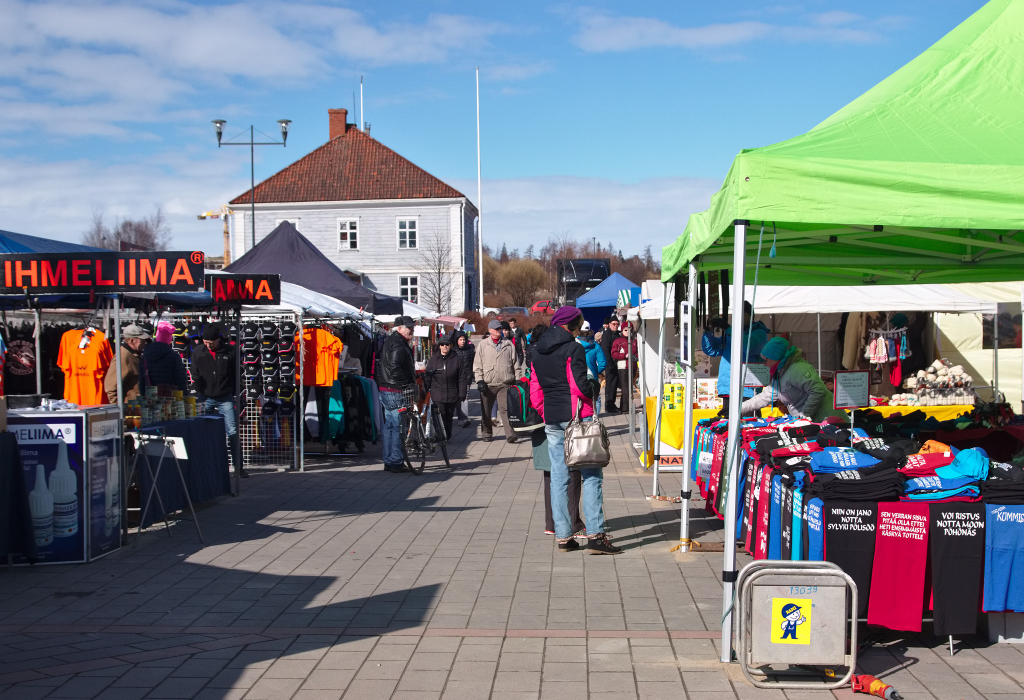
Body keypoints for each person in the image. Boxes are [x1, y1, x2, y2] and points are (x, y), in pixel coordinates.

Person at [530, 305, 620, 555]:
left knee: (559, 477)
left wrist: (546, 410)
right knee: (591, 475)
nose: (580, 329)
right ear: (571, 326)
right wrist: (594, 384)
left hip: (552, 418)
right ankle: (595, 535)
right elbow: (580, 386)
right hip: (578, 418)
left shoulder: (537, 352)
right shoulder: (574, 348)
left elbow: (535, 391)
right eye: (578, 325)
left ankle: (563, 536)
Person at [740, 337, 847, 422]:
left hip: (829, 420)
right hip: (813, 422)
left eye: (766, 360)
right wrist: (740, 408)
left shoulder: (798, 368)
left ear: (775, 357)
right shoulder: (780, 374)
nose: (764, 364)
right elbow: (765, 397)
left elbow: (818, 391)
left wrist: (804, 415)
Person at [191, 323, 243, 477]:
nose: (208, 345)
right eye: (206, 342)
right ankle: (203, 465)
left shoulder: (230, 351)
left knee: (232, 431)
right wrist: (197, 385)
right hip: (204, 396)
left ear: (218, 339)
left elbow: (235, 373)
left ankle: (238, 466)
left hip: (224, 396)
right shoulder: (198, 351)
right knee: (202, 431)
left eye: (211, 342)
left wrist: (234, 392)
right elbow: (195, 372)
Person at [702, 301, 769, 412]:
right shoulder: (730, 334)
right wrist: (708, 332)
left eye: (741, 313)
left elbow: (747, 347)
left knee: (749, 426)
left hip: (749, 391)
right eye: (735, 313)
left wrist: (728, 328)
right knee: (727, 426)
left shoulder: (759, 333)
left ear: (750, 315)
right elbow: (711, 350)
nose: (737, 317)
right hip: (728, 388)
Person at [474, 319, 524, 443]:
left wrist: (518, 379)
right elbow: (477, 365)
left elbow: (515, 363)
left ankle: (510, 434)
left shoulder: (508, 344)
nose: (499, 331)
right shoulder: (483, 345)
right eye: (496, 329)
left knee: (505, 409)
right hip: (488, 383)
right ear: (490, 330)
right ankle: (486, 433)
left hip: (505, 383)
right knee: (486, 410)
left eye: (500, 329)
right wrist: (479, 380)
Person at [378, 316, 417, 473]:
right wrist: (405, 383)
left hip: (387, 388)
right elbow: (395, 367)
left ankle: (389, 460)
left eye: (412, 327)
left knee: (390, 426)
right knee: (398, 426)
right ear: (399, 328)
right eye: (409, 327)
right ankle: (395, 461)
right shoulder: (398, 343)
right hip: (395, 389)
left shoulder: (392, 341)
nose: (411, 330)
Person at [424, 334, 468, 440]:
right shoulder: (434, 359)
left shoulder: (457, 359)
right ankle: (440, 436)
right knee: (440, 415)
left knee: (448, 416)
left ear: (450, 345)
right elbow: (428, 375)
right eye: (442, 344)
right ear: (439, 346)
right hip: (437, 393)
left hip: (452, 393)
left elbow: (462, 378)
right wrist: (425, 389)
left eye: (447, 344)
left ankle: (447, 435)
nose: (445, 347)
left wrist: (462, 393)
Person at [138, 321, 188, 396]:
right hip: (170, 398)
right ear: (170, 339)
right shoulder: (174, 356)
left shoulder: (145, 356)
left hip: (150, 397)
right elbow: (181, 380)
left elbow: (141, 381)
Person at [104, 323, 149, 403]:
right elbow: (110, 387)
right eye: (141, 340)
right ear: (132, 340)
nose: (144, 342)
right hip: (129, 408)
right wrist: (119, 408)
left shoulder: (133, 354)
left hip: (135, 406)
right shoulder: (123, 356)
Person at [576, 322, 605, 416]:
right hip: (592, 377)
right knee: (595, 398)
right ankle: (595, 418)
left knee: (579, 399)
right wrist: (596, 371)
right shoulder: (596, 346)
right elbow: (603, 363)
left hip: (577, 377)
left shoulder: (573, 345)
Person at [610, 322, 638, 415]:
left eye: (630, 330)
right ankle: (626, 408)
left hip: (632, 367)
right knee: (626, 388)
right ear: (622, 331)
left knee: (628, 388)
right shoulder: (618, 341)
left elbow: (638, 352)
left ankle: (624, 407)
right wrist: (625, 355)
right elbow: (614, 353)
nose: (628, 332)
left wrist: (635, 356)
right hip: (623, 367)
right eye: (626, 330)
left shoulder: (635, 341)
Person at [453, 330, 475, 427]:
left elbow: (473, 363)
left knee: (464, 397)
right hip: (455, 378)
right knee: (458, 398)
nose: (462, 341)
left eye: (464, 339)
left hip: (467, 377)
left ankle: (465, 418)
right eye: (460, 339)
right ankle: (460, 416)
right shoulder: (453, 351)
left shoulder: (470, 350)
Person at [600, 316, 621, 413]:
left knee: (614, 384)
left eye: (617, 324)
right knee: (610, 385)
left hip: (616, 362)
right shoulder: (607, 334)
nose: (616, 326)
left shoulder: (617, 334)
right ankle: (609, 405)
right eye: (614, 324)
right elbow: (605, 349)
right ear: (609, 325)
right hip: (610, 363)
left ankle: (612, 403)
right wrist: (609, 363)